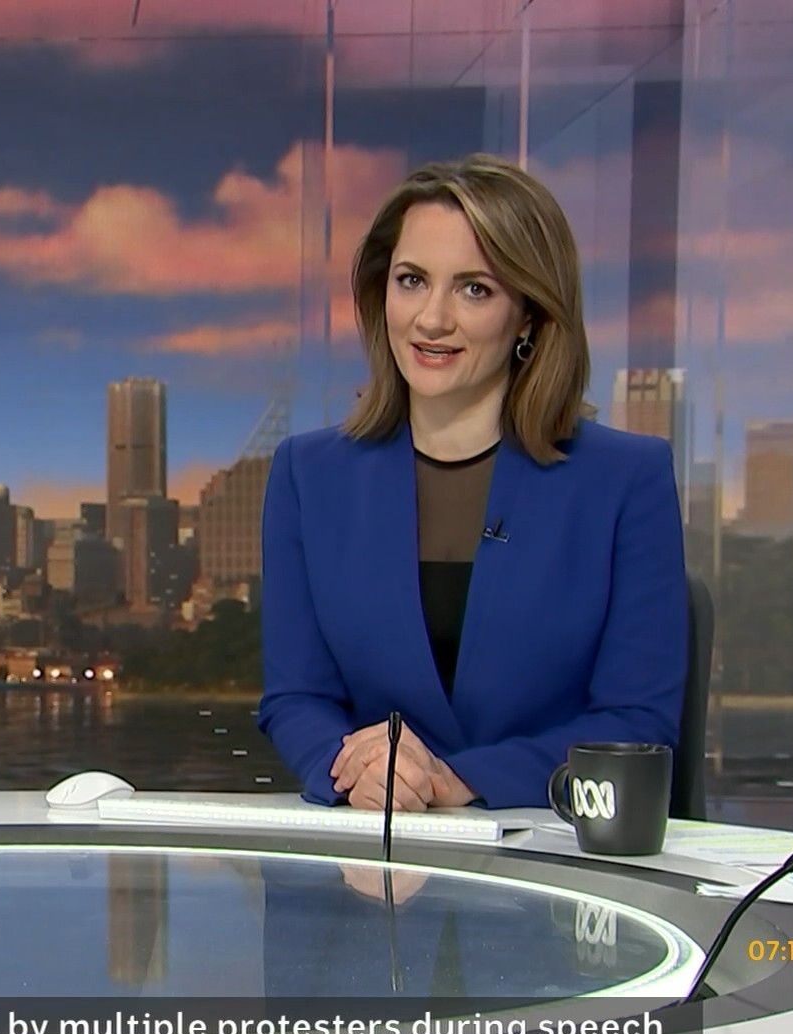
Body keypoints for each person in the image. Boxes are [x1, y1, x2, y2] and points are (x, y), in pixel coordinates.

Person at [258, 154, 687, 811]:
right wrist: (353, 770)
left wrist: (458, 780)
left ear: (529, 315)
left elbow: (637, 721)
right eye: (411, 281)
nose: (432, 319)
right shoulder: (307, 475)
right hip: (375, 844)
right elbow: (297, 698)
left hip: (554, 850)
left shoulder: (626, 480)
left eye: (474, 290)